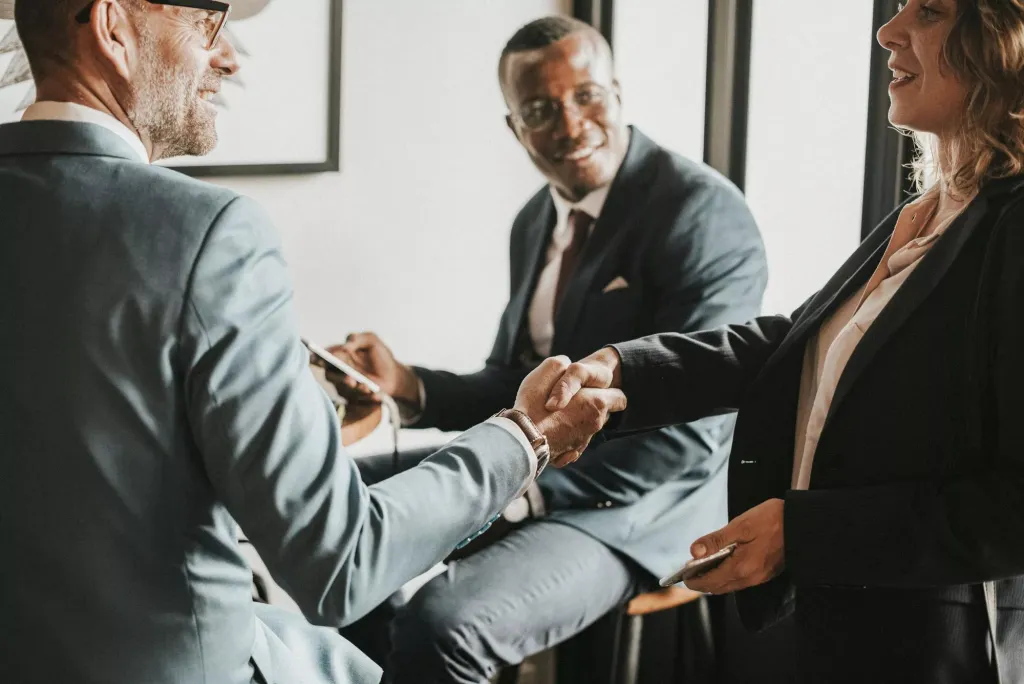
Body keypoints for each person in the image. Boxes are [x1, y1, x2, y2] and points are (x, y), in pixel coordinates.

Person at [0, 2, 626, 684]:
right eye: (206, 22)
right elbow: (340, 562)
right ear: (113, 25)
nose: (230, 57)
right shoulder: (209, 233)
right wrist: (525, 436)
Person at [548, 1, 1024, 681]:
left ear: (1006, 41)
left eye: (933, 10)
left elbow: (1013, 507)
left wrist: (802, 533)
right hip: (847, 629)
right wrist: (618, 373)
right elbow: (793, 344)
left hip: (940, 654)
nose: (889, 30)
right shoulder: (930, 211)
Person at [331, 15, 767, 683]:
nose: (569, 123)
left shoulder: (702, 213)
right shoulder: (534, 221)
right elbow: (515, 382)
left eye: (586, 95)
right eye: (540, 108)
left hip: (643, 507)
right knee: (342, 506)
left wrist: (511, 486)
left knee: (445, 623)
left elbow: (690, 432)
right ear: (515, 127)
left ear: (617, 93)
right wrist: (408, 385)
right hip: (535, 474)